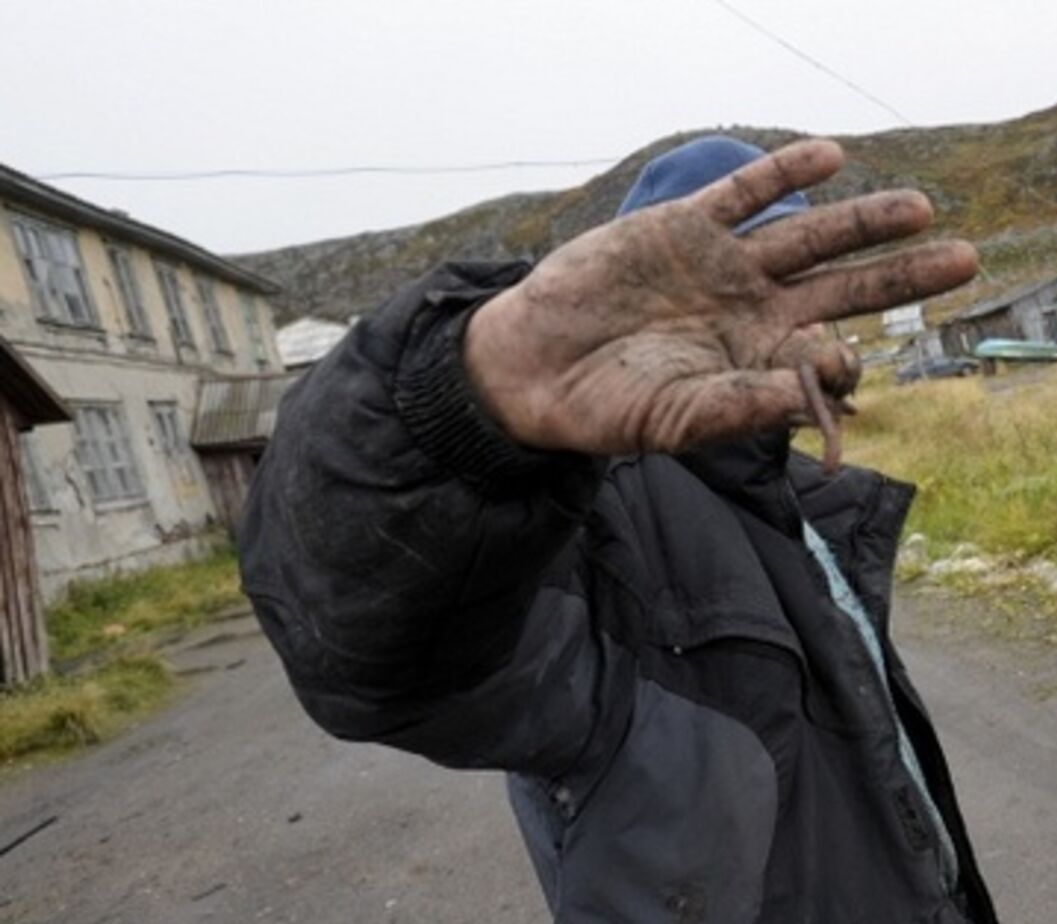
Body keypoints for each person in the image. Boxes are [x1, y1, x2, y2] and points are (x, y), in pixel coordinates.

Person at [239, 135, 998, 923]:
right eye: (729, 279)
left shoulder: (803, 498)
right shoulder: (576, 521)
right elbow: (370, 658)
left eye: (791, 272)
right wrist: (461, 411)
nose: (775, 308)